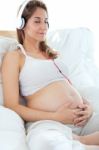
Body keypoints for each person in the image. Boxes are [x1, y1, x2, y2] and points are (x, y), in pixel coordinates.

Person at [1, 0, 99, 149]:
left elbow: (68, 88)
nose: (44, 26)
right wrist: (57, 116)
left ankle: (80, 141)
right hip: (50, 123)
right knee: (44, 143)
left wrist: (89, 107)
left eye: (46, 21)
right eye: (37, 21)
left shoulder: (52, 55)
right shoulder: (15, 56)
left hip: (83, 119)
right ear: (22, 24)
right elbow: (12, 105)